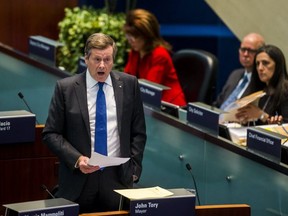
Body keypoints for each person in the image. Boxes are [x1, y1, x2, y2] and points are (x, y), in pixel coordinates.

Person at [42, 33, 147, 213]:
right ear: (86, 59)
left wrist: (134, 170)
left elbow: (138, 133)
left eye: (107, 59)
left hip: (117, 179)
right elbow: (51, 133)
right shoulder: (66, 89)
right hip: (79, 180)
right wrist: (77, 159)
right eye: (97, 59)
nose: (102, 65)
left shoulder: (129, 85)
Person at [123, 8, 186, 107]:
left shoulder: (160, 55)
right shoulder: (135, 52)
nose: (130, 40)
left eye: (135, 37)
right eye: (128, 35)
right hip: (147, 106)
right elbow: (125, 81)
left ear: (147, 36)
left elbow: (148, 90)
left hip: (169, 109)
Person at [235, 44, 288, 124]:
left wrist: (261, 115)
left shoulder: (286, 91)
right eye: (257, 64)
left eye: (265, 63)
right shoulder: (260, 90)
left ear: (277, 66)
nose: (260, 68)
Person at [215, 33, 265, 109]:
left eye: (250, 50)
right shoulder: (235, 74)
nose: (245, 54)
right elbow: (218, 103)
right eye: (243, 49)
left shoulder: (261, 81)